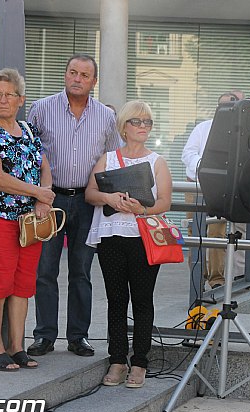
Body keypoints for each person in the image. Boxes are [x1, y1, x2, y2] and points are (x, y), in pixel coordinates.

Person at [27, 54, 122, 357]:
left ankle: (78, 336)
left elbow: (112, 162)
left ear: (94, 81)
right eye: (72, 72)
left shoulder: (106, 117)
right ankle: (44, 335)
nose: (77, 79)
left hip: (88, 200)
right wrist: (36, 196)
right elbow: (28, 155)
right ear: (65, 75)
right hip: (49, 200)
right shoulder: (42, 110)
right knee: (45, 269)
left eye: (84, 75)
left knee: (81, 271)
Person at [0, 68, 55, 371]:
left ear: (21, 99)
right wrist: (39, 194)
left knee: (22, 285)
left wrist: (43, 196)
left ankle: (17, 347)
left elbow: (44, 165)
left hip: (30, 221)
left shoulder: (29, 129)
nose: (3, 99)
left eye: (9, 94)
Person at [85, 100, 172, 388]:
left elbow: (165, 202)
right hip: (111, 237)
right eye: (138, 121)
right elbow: (90, 194)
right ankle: (117, 359)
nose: (144, 127)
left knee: (143, 300)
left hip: (142, 238)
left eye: (148, 122)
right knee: (116, 300)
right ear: (124, 127)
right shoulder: (107, 159)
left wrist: (141, 209)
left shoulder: (157, 161)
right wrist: (109, 199)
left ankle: (141, 363)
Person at [181, 91, 244, 289]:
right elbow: (187, 153)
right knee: (195, 230)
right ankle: (197, 275)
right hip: (197, 185)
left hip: (221, 188)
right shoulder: (203, 128)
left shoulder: (239, 131)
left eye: (231, 105)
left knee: (217, 232)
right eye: (223, 105)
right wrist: (205, 167)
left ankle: (216, 279)